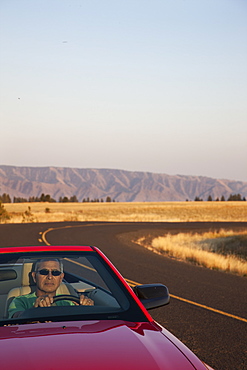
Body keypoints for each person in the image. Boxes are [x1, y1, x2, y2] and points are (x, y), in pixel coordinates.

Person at [8, 258, 94, 318]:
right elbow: (16, 319)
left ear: (61, 278)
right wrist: (35, 311)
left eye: (55, 272)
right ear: (34, 277)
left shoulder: (69, 302)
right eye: (44, 272)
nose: (50, 277)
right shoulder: (19, 300)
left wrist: (87, 309)